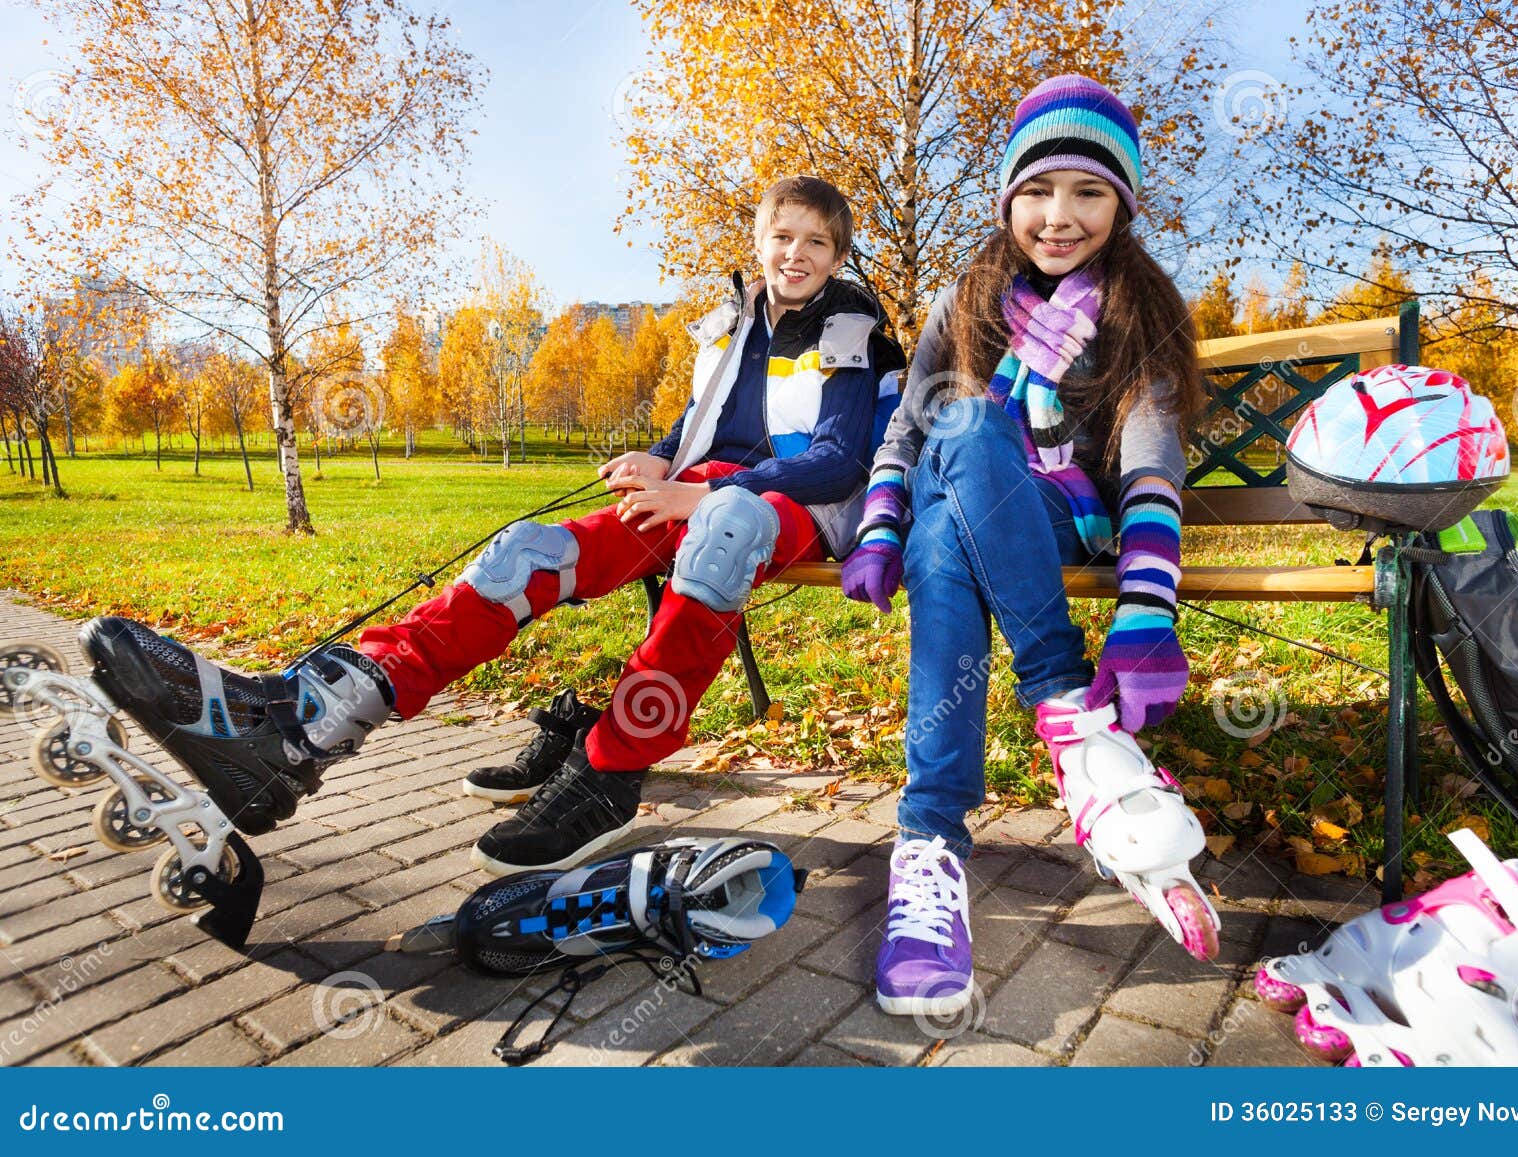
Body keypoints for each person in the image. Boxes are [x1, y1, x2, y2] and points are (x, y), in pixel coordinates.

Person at [82, 174, 904, 878]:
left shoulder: (855, 329)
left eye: (817, 244)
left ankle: (612, 768)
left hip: (796, 509)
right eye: (782, 236)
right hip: (696, 492)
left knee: (725, 526)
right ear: (758, 240)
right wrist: (659, 462)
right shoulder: (728, 324)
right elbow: (696, 427)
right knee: (528, 553)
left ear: (837, 257)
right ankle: (305, 727)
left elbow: (838, 458)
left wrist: (707, 494)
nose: (796, 254)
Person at [840, 75, 1215, 1019]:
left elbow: (1151, 462)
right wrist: (878, 514)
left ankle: (929, 844)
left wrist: (1147, 609)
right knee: (962, 434)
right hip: (958, 481)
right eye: (1039, 192)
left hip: (1045, 518)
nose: (1060, 216)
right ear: (1008, 198)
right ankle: (1078, 731)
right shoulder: (962, 301)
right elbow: (905, 430)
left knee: (942, 544)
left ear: (1121, 205)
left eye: (1089, 193)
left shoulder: (1138, 311)